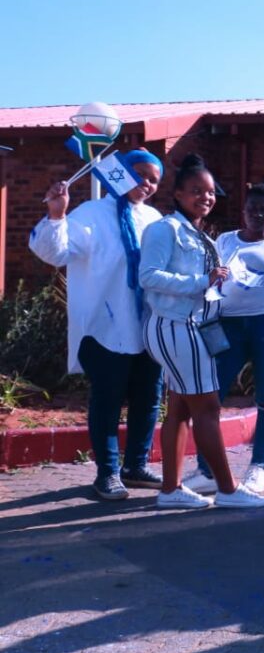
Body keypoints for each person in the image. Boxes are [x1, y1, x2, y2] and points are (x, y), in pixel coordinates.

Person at [31, 150, 166, 501]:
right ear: (119, 172)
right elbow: (55, 253)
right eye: (140, 174)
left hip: (148, 327)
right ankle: (107, 472)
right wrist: (57, 214)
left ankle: (135, 465)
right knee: (107, 400)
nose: (147, 184)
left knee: (148, 399)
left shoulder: (153, 218)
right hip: (105, 327)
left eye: (154, 179)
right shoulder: (91, 214)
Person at [139, 154, 264, 510]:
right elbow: (148, 276)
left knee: (180, 409)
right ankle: (227, 490)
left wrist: (219, 281)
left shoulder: (197, 234)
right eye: (196, 191)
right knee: (208, 408)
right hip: (177, 325)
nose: (206, 198)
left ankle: (171, 489)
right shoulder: (164, 229)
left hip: (191, 325)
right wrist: (202, 281)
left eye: (210, 192)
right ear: (178, 193)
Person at [182, 184, 264, 496]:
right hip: (228, 326)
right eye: (252, 208)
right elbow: (204, 271)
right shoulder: (225, 240)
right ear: (243, 211)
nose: (258, 214)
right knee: (211, 395)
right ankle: (207, 470)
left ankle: (258, 468)